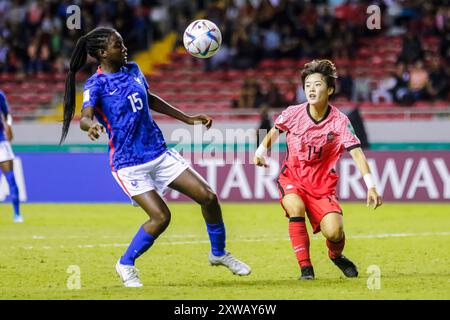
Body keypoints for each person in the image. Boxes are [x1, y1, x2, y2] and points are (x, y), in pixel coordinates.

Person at [60, 27, 251, 288]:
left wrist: (187, 118)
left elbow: (148, 99)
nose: (124, 48)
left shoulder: (134, 69)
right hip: (128, 163)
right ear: (103, 53)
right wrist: (90, 126)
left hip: (158, 152)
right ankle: (126, 263)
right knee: (161, 217)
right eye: (118, 45)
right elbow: (84, 116)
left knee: (208, 196)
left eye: (123, 42)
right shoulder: (96, 84)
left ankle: (218, 253)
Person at [253, 59, 382, 280]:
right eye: (307, 85)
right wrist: (260, 152)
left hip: (322, 186)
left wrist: (371, 186)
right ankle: (306, 269)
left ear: (330, 89)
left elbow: (357, 153)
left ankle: (336, 255)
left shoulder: (340, 122)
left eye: (317, 84)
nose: (311, 89)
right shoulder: (293, 113)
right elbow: (275, 131)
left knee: (334, 232)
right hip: (292, 177)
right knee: (295, 208)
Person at [0, 90, 23, 223]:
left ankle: (17, 214)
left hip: (1, 142)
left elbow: (7, 114)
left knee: (11, 179)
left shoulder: (0, 95)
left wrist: (9, 126)